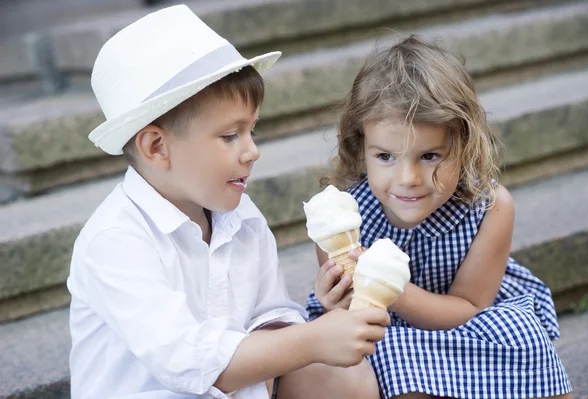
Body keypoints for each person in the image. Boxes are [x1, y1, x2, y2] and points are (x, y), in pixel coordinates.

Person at [67, 5, 390, 399]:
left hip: (243, 389)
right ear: (156, 147)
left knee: (344, 378)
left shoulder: (241, 214)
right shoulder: (115, 241)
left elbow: (268, 312)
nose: (252, 151)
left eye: (251, 130)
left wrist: (322, 322)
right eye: (230, 136)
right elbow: (187, 360)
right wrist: (311, 341)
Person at [307, 35, 572, 399]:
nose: (407, 179)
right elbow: (349, 317)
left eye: (430, 155)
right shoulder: (345, 219)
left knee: (522, 333)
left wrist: (392, 289)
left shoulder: (489, 207)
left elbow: (470, 309)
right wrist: (334, 301)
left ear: (465, 145)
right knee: (378, 357)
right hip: (387, 332)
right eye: (385, 156)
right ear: (360, 147)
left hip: (467, 322)